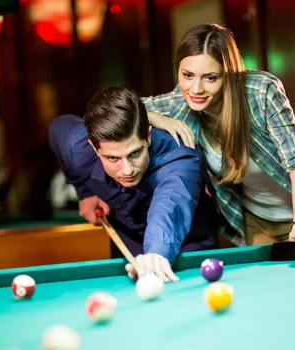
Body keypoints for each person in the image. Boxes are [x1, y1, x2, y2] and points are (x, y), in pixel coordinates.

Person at [143, 23, 295, 247]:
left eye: (210, 78)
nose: (196, 89)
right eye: (188, 75)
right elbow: (115, 111)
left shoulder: (261, 92)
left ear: (229, 75)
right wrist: (155, 118)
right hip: (257, 219)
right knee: (265, 282)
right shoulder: (179, 103)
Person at [49, 85, 218, 281]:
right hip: (126, 245)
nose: (127, 169)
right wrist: (84, 192)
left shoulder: (181, 157)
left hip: (188, 249)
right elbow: (57, 129)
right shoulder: (78, 149)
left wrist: (156, 253)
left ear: (147, 137)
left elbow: (169, 206)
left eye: (134, 153)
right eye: (113, 158)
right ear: (94, 149)